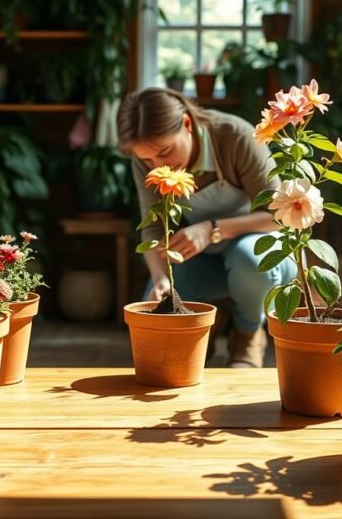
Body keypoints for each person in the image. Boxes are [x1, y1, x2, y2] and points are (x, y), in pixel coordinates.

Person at [117, 87, 296, 368]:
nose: (158, 166)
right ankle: (209, 321)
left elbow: (280, 215)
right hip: (204, 260)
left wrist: (211, 229)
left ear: (187, 124)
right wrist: (160, 278)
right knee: (156, 326)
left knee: (247, 258)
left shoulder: (234, 136)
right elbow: (153, 229)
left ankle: (248, 333)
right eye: (147, 160)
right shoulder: (147, 160)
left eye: (165, 152)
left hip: (261, 258)